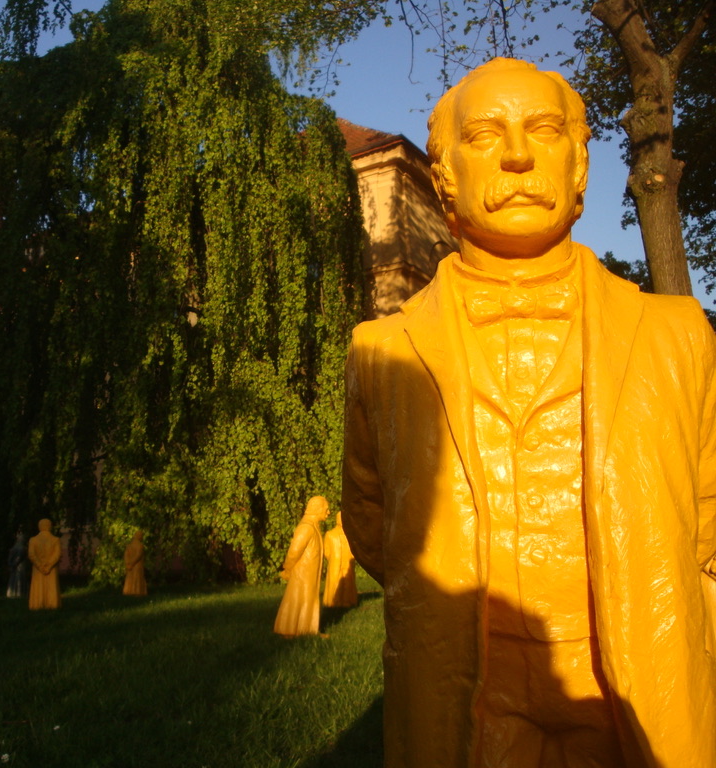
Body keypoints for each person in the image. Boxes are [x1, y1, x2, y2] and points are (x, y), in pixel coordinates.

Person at [341, 58, 716, 768]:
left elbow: (708, 516)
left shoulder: (678, 335)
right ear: (445, 175)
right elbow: (374, 523)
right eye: (484, 136)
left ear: (578, 167)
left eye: (542, 130)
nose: (516, 155)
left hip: (636, 671)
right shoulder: (381, 350)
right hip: (462, 679)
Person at [273, 496, 328, 637]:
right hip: (302, 574)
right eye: (326, 509)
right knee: (298, 599)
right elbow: (294, 551)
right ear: (317, 509)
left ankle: (307, 630)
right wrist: (288, 568)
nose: (328, 513)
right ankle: (290, 630)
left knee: (307, 599)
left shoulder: (313, 526)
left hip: (308, 574)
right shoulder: (306, 528)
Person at [322, 512, 357, 608]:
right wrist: (333, 558)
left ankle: (347, 601)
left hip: (347, 562)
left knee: (348, 583)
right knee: (335, 582)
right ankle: (333, 601)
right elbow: (326, 550)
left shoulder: (350, 534)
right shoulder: (330, 534)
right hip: (336, 563)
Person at [27, 519, 61, 610]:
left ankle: (37, 604)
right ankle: (52, 604)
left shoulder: (33, 540)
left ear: (39, 527)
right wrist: (49, 565)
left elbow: (31, 554)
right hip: (51, 568)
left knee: (38, 586)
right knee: (51, 586)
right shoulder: (55, 540)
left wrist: (39, 565)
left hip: (38, 568)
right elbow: (57, 555)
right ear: (50, 526)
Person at [121, 531, 147, 596]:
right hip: (137, 565)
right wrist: (132, 563)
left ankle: (129, 591)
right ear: (139, 536)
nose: (142, 537)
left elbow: (126, 555)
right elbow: (138, 556)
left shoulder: (129, 545)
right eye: (141, 536)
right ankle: (137, 591)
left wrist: (128, 564)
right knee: (137, 579)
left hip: (130, 565)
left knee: (130, 578)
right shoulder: (140, 546)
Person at [6, 531, 28, 599]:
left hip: (16, 566)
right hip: (20, 566)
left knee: (14, 579)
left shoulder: (14, 547)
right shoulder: (22, 548)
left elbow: (10, 558)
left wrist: (11, 564)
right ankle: (19, 593)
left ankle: (14, 593)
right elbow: (19, 558)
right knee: (19, 579)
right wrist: (14, 564)